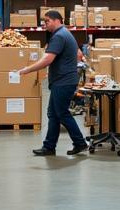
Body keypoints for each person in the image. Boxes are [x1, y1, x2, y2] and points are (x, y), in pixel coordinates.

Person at [19, 9, 88, 157]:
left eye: (47, 21)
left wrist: (27, 70)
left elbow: (47, 60)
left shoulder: (58, 36)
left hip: (63, 82)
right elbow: (79, 54)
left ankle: (80, 142)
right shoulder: (66, 33)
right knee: (53, 114)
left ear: (57, 20)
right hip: (64, 80)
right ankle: (49, 147)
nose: (45, 25)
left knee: (62, 113)